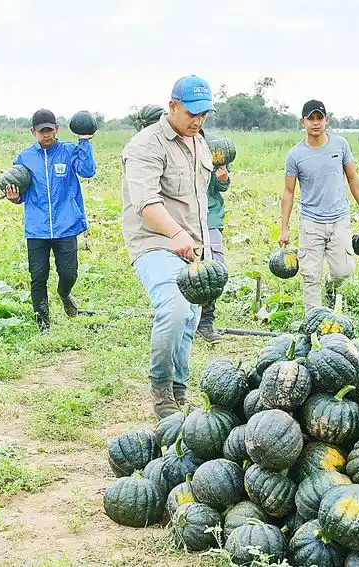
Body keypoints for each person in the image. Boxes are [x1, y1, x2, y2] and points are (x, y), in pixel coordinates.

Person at [120, 75, 215, 418]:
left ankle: (178, 388)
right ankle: (160, 390)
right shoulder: (147, 145)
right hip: (156, 241)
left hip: (192, 244)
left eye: (204, 114)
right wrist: (176, 234)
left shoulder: (199, 142)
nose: (198, 120)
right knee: (173, 310)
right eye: (192, 113)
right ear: (172, 105)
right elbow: (146, 203)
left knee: (190, 316)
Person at [4, 109, 96, 334]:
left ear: (57, 129)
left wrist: (84, 142)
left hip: (66, 225)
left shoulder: (67, 151)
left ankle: (64, 294)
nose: (46, 135)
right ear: (33, 132)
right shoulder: (24, 158)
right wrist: (15, 198)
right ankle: (43, 324)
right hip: (37, 229)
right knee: (38, 277)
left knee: (69, 273)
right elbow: (21, 191)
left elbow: (87, 171)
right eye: (41, 131)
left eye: (50, 130)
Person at [279, 99, 359, 312]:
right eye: (311, 118)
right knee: (310, 275)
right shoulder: (295, 155)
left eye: (320, 118)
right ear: (303, 122)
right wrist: (284, 228)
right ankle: (313, 318)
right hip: (311, 223)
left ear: (327, 120)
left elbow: (353, 179)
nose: (316, 123)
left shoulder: (340, 145)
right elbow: (289, 192)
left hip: (339, 219)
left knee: (343, 272)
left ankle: (331, 287)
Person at [196, 128, 231, 344]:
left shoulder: (216, 147)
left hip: (209, 216)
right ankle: (182, 318)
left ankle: (206, 321)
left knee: (214, 268)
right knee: (182, 268)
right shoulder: (170, 144)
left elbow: (222, 185)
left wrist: (223, 178)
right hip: (180, 216)